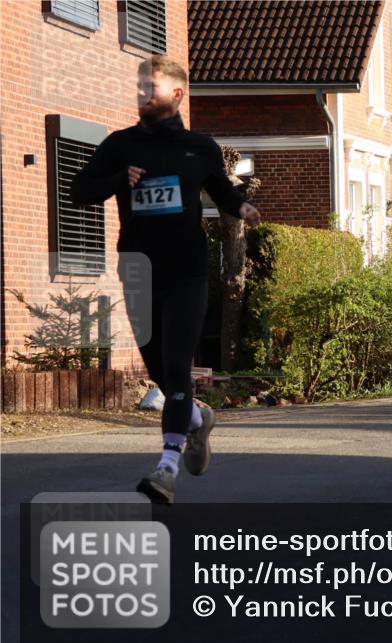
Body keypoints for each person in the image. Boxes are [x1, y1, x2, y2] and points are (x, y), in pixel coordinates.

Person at [70, 55, 261, 504]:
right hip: (138, 268)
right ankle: (196, 418)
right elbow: (79, 190)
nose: (141, 93)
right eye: (138, 86)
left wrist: (241, 206)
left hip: (187, 270)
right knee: (158, 371)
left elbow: (222, 191)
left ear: (176, 94)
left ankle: (167, 468)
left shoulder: (200, 148)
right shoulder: (120, 145)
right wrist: (120, 179)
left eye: (149, 87)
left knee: (176, 367)